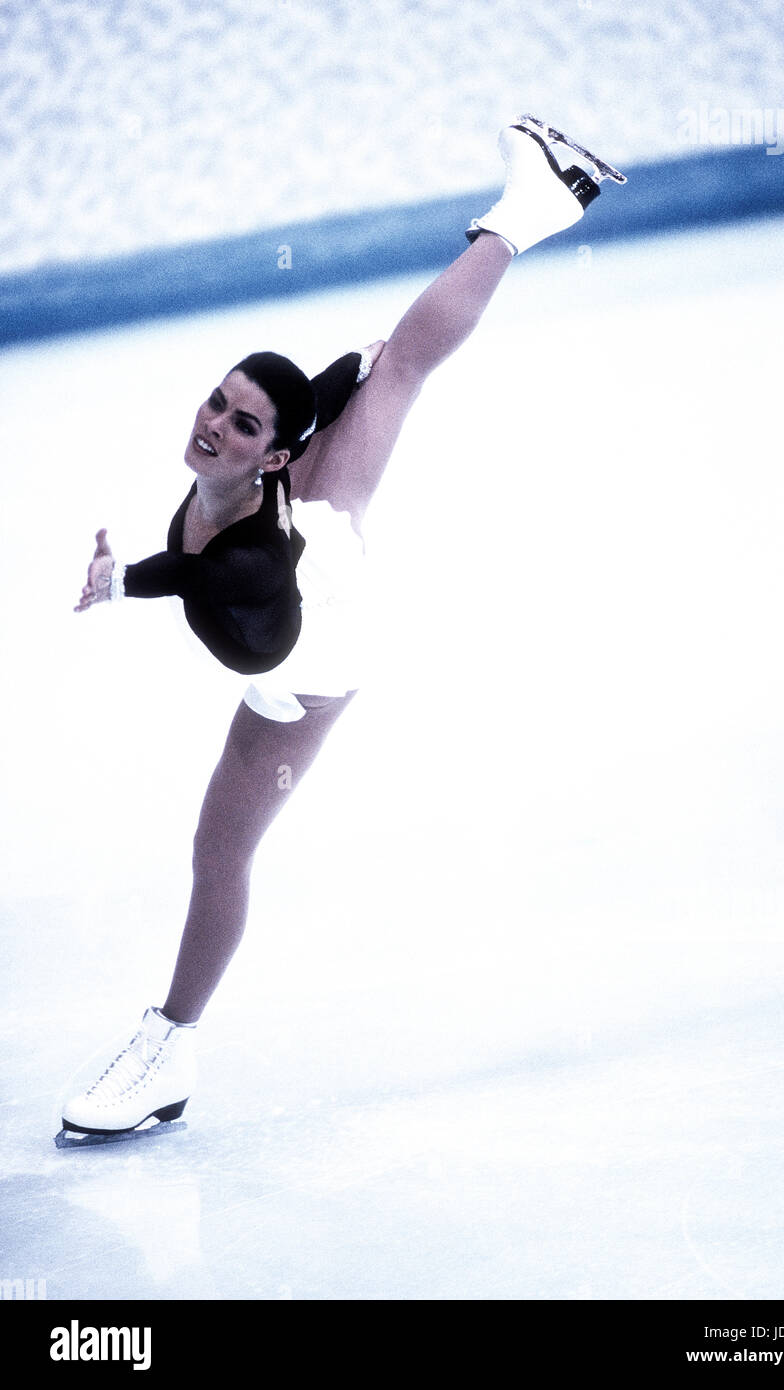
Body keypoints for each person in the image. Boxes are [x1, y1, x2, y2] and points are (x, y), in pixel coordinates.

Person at [58, 116, 625, 1143]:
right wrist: (342, 376)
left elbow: (198, 569)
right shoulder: (254, 471)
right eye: (216, 402)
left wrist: (120, 582)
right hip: (290, 615)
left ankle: (530, 204)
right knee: (386, 363)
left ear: (273, 458)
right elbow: (313, 399)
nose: (213, 425)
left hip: (327, 634)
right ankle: (542, 200)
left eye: (239, 424)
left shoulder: (259, 540)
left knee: (401, 369)